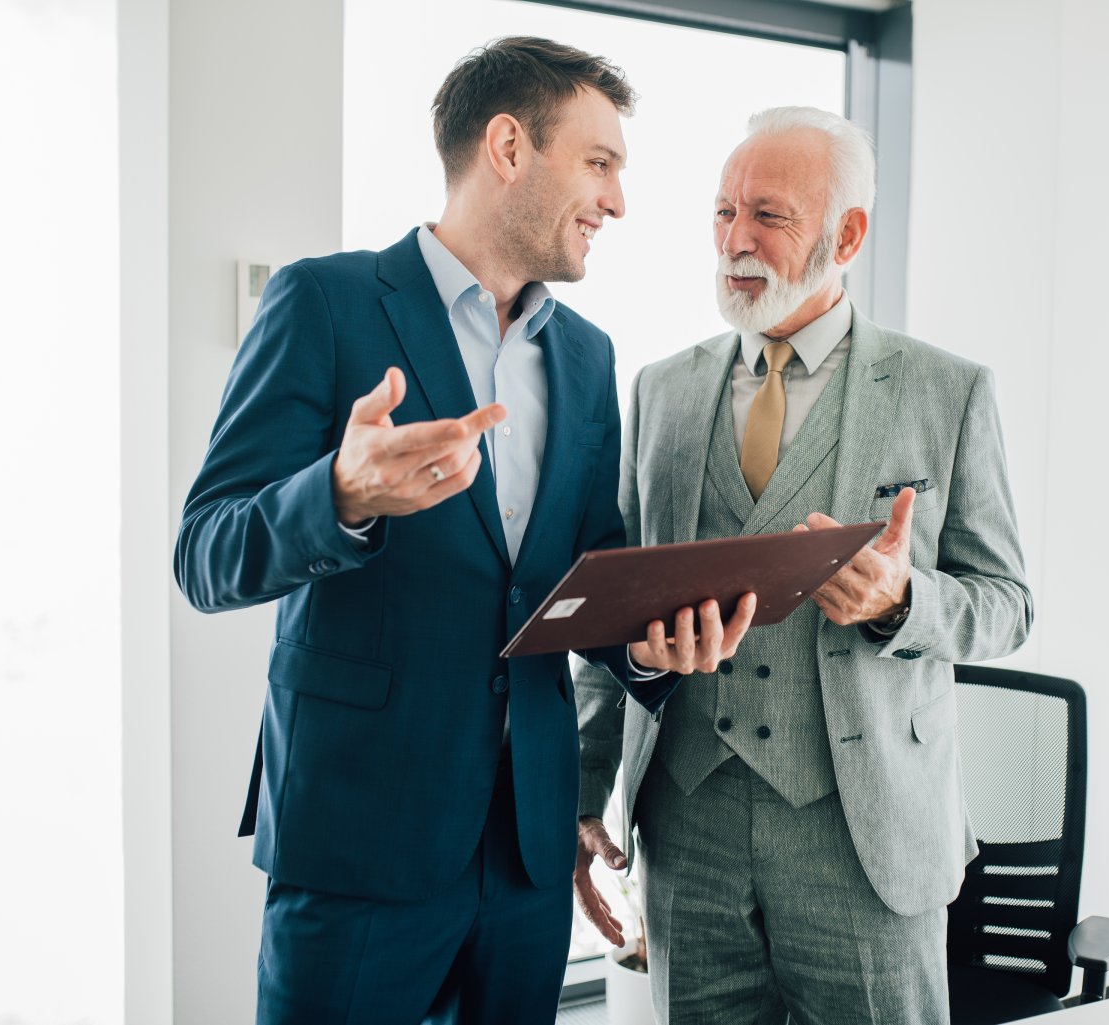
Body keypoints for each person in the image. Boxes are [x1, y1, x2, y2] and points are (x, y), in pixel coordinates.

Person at [175, 37, 749, 1025]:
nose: (618, 201)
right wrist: (342, 495)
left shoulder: (583, 354)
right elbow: (206, 552)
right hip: (359, 837)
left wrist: (655, 647)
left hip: (525, 852)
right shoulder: (327, 302)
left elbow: (586, 568)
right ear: (509, 146)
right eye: (600, 162)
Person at [573, 107, 1033, 1025]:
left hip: (862, 840)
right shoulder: (660, 390)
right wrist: (585, 792)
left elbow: (1007, 604)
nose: (734, 241)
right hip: (687, 832)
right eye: (722, 212)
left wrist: (904, 600)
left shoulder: (947, 391)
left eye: (768, 216)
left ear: (847, 233)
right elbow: (609, 612)